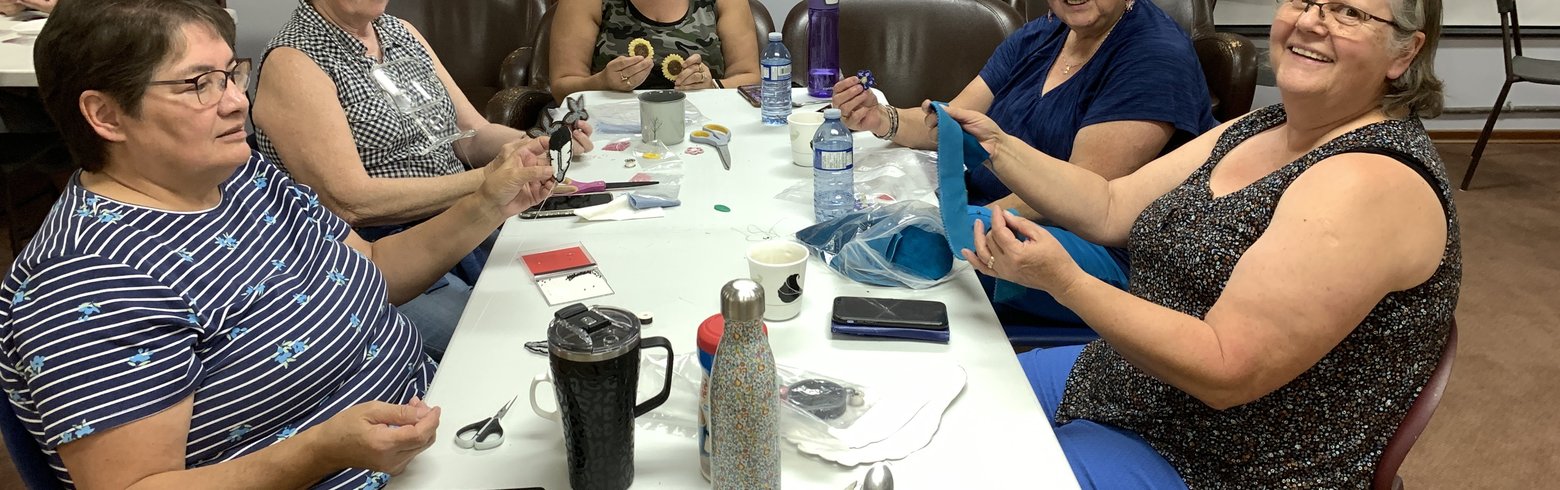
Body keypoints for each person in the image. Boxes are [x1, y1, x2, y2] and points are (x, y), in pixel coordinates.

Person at [0, 0, 558, 487]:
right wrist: (319, 450)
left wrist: (490, 203)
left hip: (439, 425)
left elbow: (374, 267)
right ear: (105, 115)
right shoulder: (87, 280)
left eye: (230, 74)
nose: (237, 102)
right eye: (199, 84)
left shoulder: (244, 178)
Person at [947, 0, 1457, 487]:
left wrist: (1063, 281)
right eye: (1304, 2)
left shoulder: (1369, 183)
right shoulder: (1266, 125)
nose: (1311, 23)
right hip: (1137, 380)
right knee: (942, 399)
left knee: (955, 471)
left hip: (1222, 458)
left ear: (1405, 52)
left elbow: (1225, 370)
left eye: (1349, 12)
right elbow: (1108, 205)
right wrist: (998, 147)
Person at [832, 0, 1217, 327]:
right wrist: (881, 119)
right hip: (989, 218)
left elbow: (1082, 200)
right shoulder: (1043, 34)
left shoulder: (1155, 56)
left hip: (1097, 254)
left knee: (904, 250)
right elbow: (952, 122)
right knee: (854, 232)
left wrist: (951, 222)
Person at [252, 0, 592, 360]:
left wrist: (538, 143)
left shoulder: (401, 32)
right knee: (509, 349)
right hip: (379, 256)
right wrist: (487, 181)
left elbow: (472, 135)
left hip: (465, 220)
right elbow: (351, 202)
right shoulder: (293, 61)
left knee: (577, 300)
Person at [550, 0, 762, 99]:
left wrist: (712, 87)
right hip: (607, 129)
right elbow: (561, 88)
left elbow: (750, 77)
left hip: (705, 126)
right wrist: (602, 83)